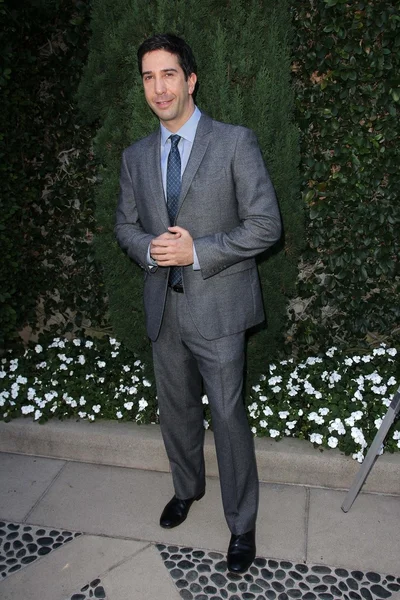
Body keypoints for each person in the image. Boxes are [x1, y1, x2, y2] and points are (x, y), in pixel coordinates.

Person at [115, 33, 281, 573]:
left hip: (220, 311)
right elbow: (125, 227)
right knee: (177, 412)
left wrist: (197, 251)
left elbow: (265, 226)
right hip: (164, 311)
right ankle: (187, 488)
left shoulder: (235, 142)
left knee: (229, 418)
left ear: (190, 80)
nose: (158, 88)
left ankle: (242, 522)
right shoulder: (136, 156)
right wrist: (150, 248)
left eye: (168, 75)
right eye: (148, 77)